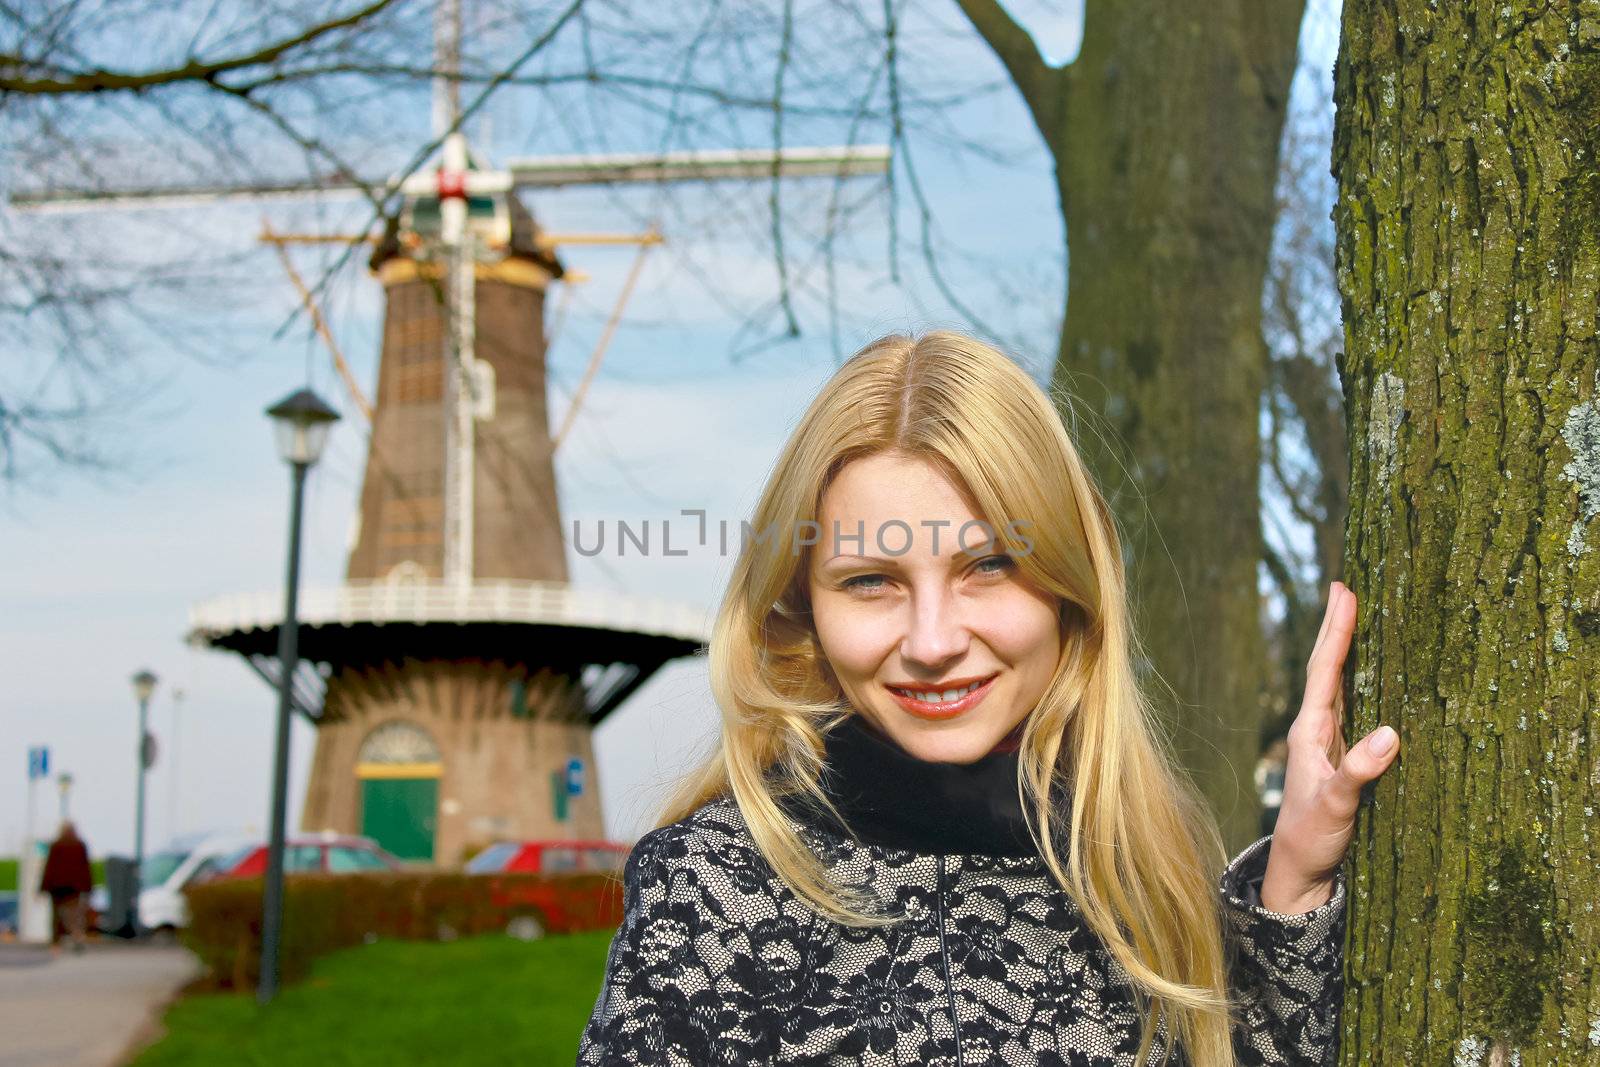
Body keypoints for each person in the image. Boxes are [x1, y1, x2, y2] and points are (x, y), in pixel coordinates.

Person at [575, 331, 1400, 1066]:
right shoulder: (710, 888)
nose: (932, 641)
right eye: (870, 581)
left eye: (988, 566)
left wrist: (1290, 881)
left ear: (1070, 586)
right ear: (803, 605)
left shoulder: (1151, 867)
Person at [39, 821, 93, 955]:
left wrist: (43, 886)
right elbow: (84, 868)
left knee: (56, 917)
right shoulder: (79, 846)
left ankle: (55, 944)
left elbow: (50, 868)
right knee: (74, 914)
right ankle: (77, 935)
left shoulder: (56, 845)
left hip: (56, 886)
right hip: (74, 887)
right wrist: (87, 887)